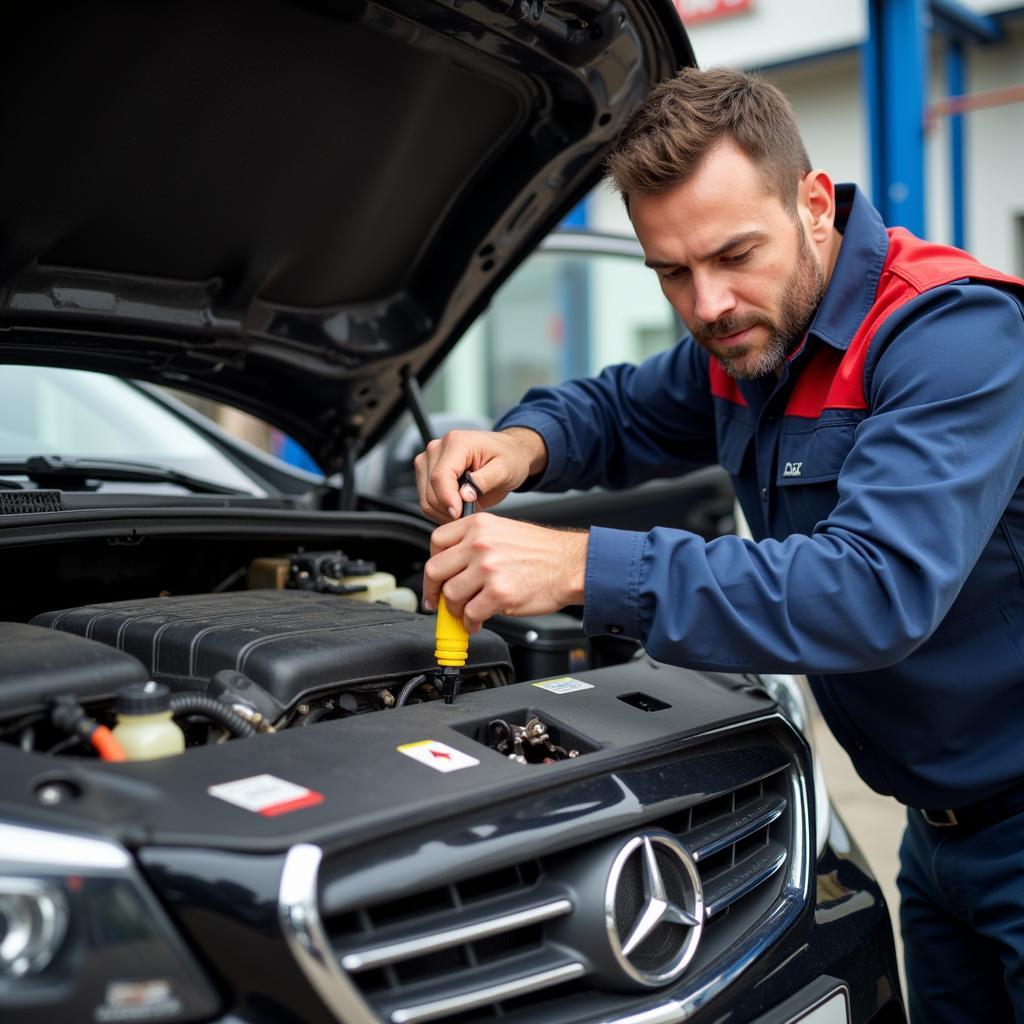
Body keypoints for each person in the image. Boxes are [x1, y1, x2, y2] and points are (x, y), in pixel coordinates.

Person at [414, 67, 1024, 1022]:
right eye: (671, 271)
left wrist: (576, 565)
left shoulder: (951, 335)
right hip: (935, 839)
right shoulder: (752, 339)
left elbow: (870, 592)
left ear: (813, 206)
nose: (707, 304)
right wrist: (521, 446)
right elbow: (616, 409)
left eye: (735, 253)